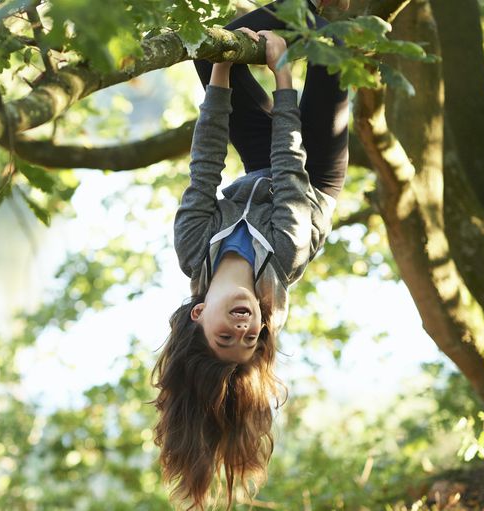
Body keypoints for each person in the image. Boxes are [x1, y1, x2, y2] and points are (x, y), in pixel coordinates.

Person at [152, 0, 350, 509]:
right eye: (250, 337)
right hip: (308, 178)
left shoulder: (193, 250)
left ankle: (303, 6)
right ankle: (323, 13)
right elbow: (291, 173)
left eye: (226, 336)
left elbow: (205, 164)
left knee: (206, 46)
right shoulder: (284, 259)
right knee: (330, 46)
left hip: (260, 164)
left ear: (198, 315)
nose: (245, 326)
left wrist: (223, 65)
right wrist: (283, 76)